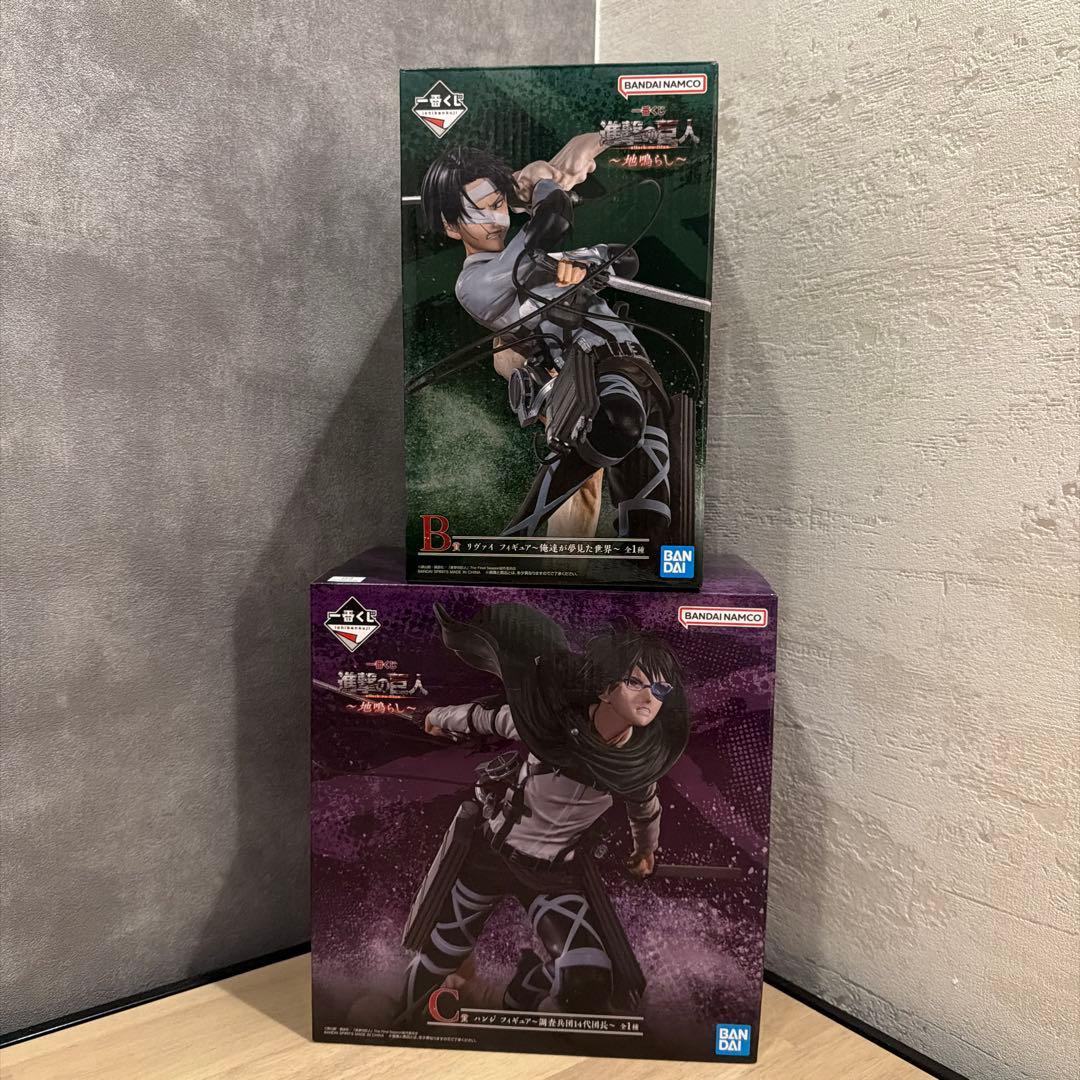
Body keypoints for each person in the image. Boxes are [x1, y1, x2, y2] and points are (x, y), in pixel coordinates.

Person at [397, 602, 690, 1020]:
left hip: (552, 876)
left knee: (586, 976)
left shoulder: (636, 766)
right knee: (440, 955)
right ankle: (397, 1019)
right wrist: (436, 717)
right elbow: (481, 718)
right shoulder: (546, 725)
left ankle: (519, 995)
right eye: (635, 683)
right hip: (493, 856)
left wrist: (645, 852)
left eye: (659, 690)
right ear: (605, 688)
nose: (649, 698)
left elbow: (646, 812)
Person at [419, 136, 675, 542]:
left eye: (497, 204)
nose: (493, 220)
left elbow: (626, 257)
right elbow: (552, 219)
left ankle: (545, 552)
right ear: (451, 226)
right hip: (597, 372)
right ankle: (515, 538)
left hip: (641, 370)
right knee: (617, 427)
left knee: (652, 529)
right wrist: (540, 180)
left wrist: (587, 267)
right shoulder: (476, 284)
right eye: (477, 212)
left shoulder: (540, 261)